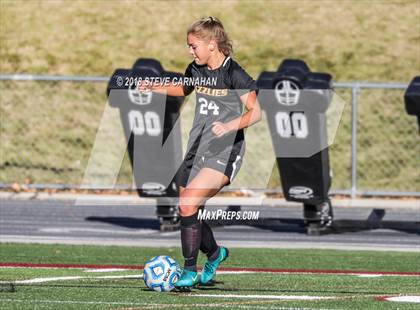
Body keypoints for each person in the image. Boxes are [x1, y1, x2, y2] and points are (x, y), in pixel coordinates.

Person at [138, 16, 261, 288]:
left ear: (212, 45)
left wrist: (229, 125)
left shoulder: (233, 73)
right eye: (189, 46)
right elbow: (182, 88)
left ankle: (190, 271)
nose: (190, 51)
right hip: (198, 149)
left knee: (188, 203)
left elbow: (256, 112)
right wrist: (153, 86)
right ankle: (216, 254)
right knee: (189, 208)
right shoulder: (195, 69)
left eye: (194, 46)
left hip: (225, 150)